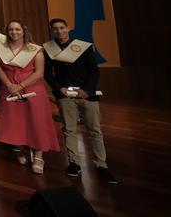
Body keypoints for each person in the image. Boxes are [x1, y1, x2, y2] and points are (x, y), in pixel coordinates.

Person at [44, 18, 118, 184]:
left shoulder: (83, 46)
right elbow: (48, 73)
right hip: (65, 94)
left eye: (62, 28)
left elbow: (94, 71)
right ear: (52, 31)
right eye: (55, 29)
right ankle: (74, 163)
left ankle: (101, 165)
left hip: (87, 94)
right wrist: (58, 88)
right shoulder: (49, 49)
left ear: (68, 28)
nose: (59, 31)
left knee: (95, 130)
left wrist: (87, 90)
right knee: (69, 130)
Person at [0, 20, 61, 174]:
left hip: (32, 88)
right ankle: (24, 150)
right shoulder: (1, 49)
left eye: (17, 29)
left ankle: (38, 155)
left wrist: (20, 86)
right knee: (17, 122)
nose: (14, 32)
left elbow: (39, 72)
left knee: (36, 121)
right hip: (9, 88)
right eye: (11, 30)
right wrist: (10, 85)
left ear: (23, 31)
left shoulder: (34, 49)